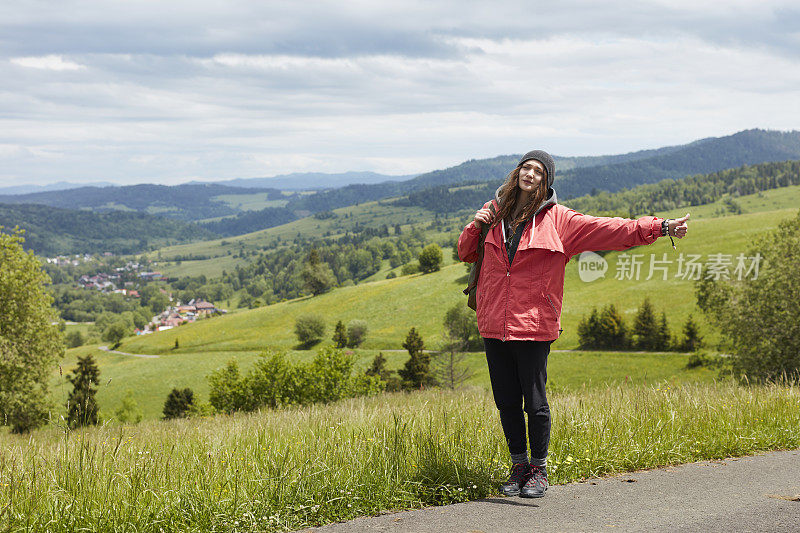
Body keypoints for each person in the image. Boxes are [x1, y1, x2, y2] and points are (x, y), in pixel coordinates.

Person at [457, 150, 689, 498]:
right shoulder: (494, 213)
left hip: (533, 324)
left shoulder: (560, 220)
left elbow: (612, 230)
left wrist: (660, 227)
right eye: (526, 168)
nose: (530, 174)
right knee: (506, 401)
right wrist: (476, 225)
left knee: (534, 403)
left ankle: (538, 470)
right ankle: (518, 466)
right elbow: (466, 253)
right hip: (493, 322)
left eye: (538, 171)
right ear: (517, 173)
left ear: (546, 181)